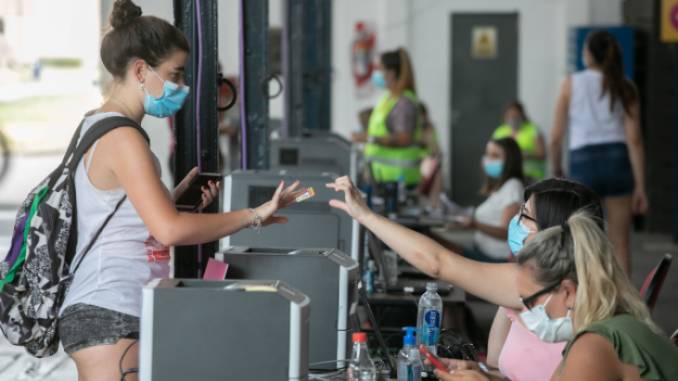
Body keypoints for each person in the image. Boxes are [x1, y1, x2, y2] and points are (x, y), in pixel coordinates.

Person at [56, 2, 300, 380]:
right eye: (175, 74)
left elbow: (122, 219)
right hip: (110, 310)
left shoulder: (103, 125)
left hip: (109, 309)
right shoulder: (122, 137)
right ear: (140, 70)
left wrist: (169, 201)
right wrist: (253, 216)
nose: (182, 87)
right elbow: (169, 231)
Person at [327, 176, 605, 381]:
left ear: (549, 232)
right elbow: (498, 363)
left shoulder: (541, 288)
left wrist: (365, 215)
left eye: (525, 217)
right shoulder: (545, 284)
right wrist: (482, 373)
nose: (515, 223)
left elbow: (437, 262)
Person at [433, 213, 678, 381]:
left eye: (530, 301)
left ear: (568, 292)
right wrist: (484, 374)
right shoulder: (609, 324)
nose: (526, 312)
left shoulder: (594, 345)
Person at [550, 30, 648, 274]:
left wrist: (556, 169)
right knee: (620, 242)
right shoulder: (625, 85)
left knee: (585, 241)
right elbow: (634, 140)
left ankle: (590, 304)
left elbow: (555, 137)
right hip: (618, 161)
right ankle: (626, 308)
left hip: (583, 164)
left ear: (588, 55)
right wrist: (640, 187)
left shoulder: (570, 84)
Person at [454, 137, 524, 263]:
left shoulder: (513, 186)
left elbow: (506, 232)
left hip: (495, 259)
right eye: (487, 154)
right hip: (481, 250)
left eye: (495, 155)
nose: (488, 159)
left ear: (510, 161)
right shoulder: (501, 186)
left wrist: (475, 224)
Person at [364, 48, 426, 186]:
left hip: (398, 179)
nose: (375, 73)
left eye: (379, 68)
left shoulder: (403, 103)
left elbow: (404, 138)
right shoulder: (388, 99)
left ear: (391, 73)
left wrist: (369, 138)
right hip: (382, 177)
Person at [492, 101, 546, 182]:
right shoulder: (499, 132)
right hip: (505, 176)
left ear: (522, 115)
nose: (513, 118)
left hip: (529, 176)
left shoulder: (533, 130)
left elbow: (541, 154)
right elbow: (493, 153)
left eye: (516, 115)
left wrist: (521, 155)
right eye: (510, 115)